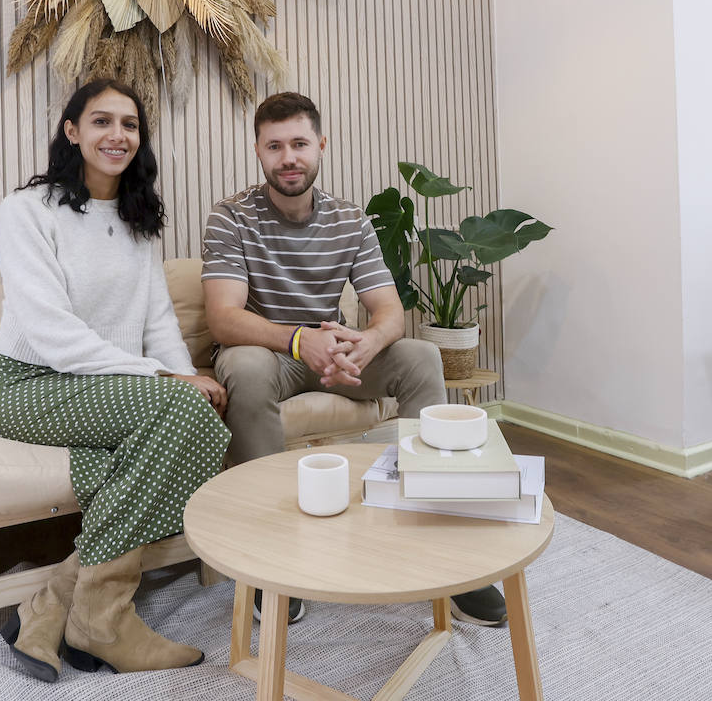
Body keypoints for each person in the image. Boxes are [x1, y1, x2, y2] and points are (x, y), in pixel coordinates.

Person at [201, 91, 509, 627]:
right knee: (246, 367)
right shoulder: (230, 216)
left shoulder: (349, 218)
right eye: (275, 146)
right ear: (258, 150)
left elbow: (388, 311)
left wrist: (365, 343)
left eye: (299, 143)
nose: (288, 157)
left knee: (417, 357)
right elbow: (224, 319)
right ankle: (272, 555)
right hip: (268, 353)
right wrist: (301, 341)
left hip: (333, 351)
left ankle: (441, 534)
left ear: (321, 145)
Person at [0, 77, 231, 682]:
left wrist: (181, 370)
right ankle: (99, 620)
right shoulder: (27, 211)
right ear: (72, 131)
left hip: (101, 392)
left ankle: (58, 607)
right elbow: (47, 330)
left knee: (188, 427)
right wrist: (165, 380)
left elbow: (158, 317)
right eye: (102, 122)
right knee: (185, 416)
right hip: (24, 386)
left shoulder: (139, 220)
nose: (118, 135)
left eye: (130, 125)